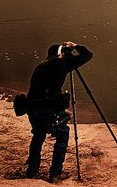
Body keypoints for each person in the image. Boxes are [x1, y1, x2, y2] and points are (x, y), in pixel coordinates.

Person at [23, 41, 93, 181]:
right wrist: (74, 46)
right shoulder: (63, 65)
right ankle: (55, 173)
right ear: (61, 54)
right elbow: (87, 55)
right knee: (62, 135)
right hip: (50, 111)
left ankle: (31, 170)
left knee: (38, 136)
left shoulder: (40, 67)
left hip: (33, 109)